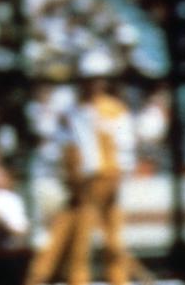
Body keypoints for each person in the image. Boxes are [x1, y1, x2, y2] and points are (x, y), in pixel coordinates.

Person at [24, 76, 136, 285]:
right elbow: (65, 150)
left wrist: (118, 177)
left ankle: (119, 279)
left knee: (112, 241)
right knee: (79, 241)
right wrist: (72, 179)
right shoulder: (72, 112)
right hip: (82, 185)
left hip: (107, 181)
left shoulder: (113, 109)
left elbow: (123, 146)